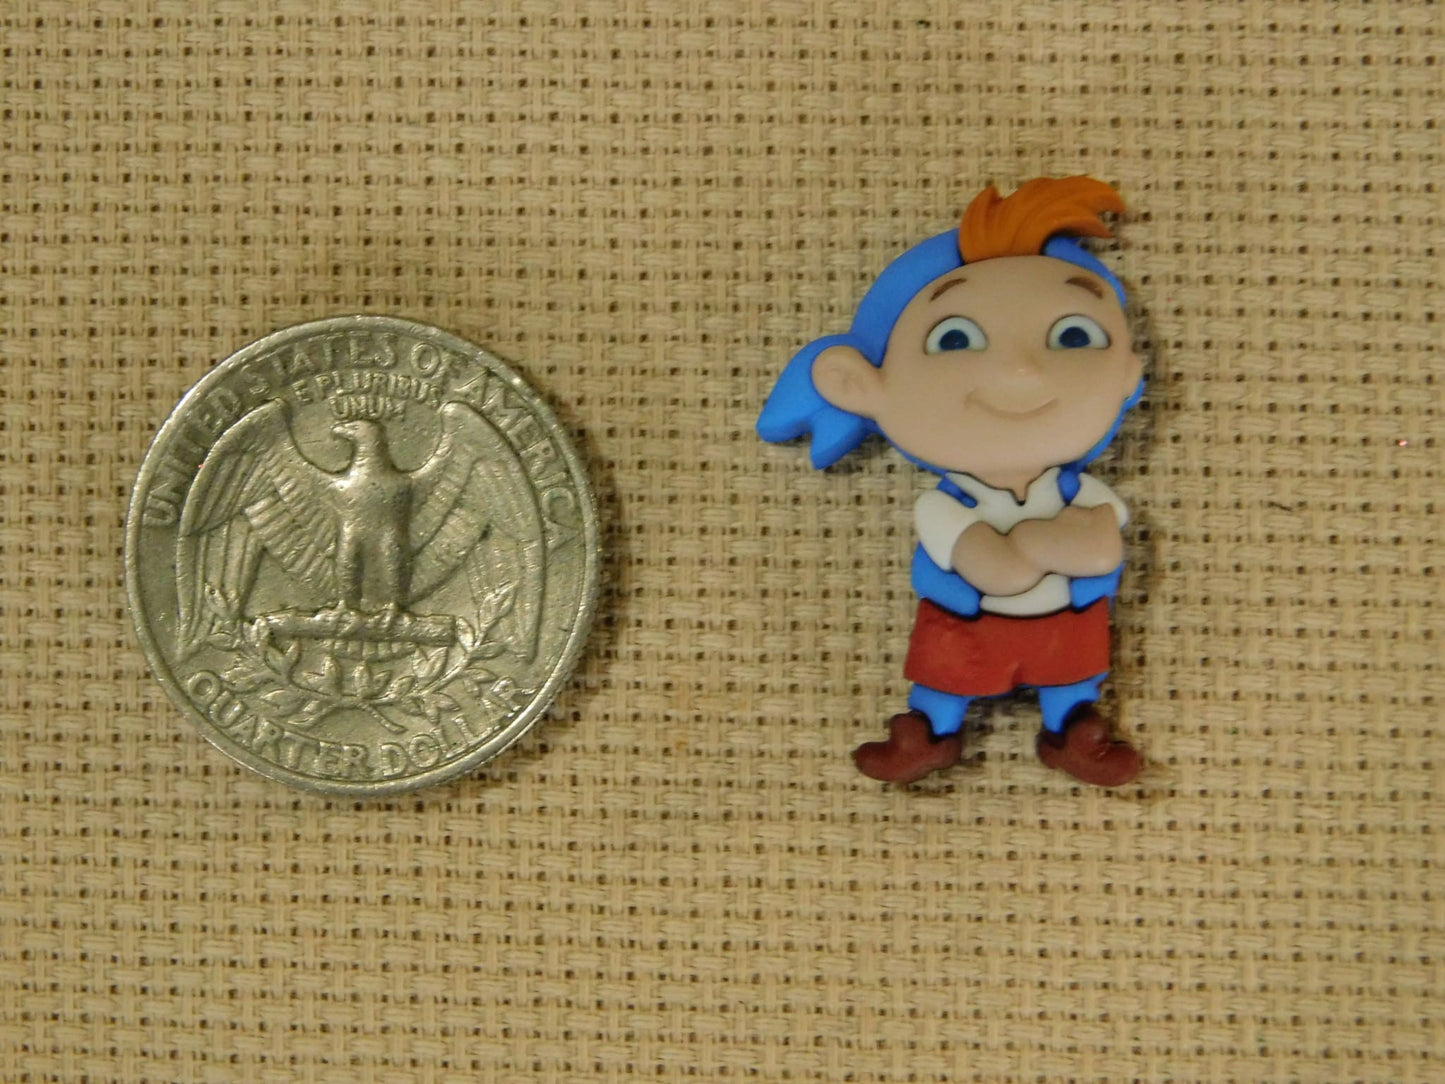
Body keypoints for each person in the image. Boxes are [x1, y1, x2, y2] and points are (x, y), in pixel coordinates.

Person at [758, 177, 1145, 786]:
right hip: (968, 628)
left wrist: (1032, 547)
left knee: (1071, 674)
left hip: (1063, 626)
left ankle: (1073, 731)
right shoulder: (944, 507)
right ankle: (930, 734)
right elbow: (996, 570)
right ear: (861, 385)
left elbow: (1100, 552)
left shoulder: (1083, 492)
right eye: (955, 339)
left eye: (1074, 336)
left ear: (1129, 374)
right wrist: (1045, 544)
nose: (1021, 368)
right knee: (948, 677)